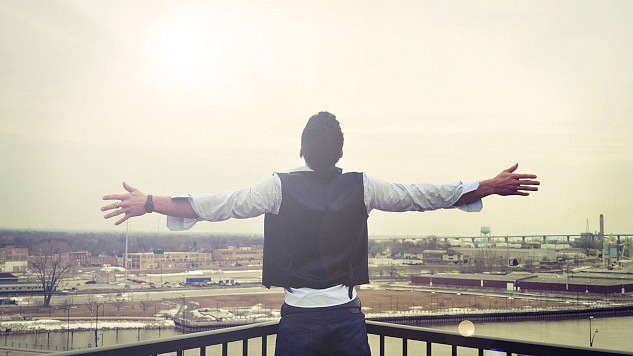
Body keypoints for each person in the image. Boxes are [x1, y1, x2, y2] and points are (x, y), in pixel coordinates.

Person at [101, 111, 539, 355]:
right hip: (348, 319)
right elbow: (422, 195)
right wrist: (488, 186)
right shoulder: (362, 186)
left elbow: (218, 205)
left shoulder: (278, 187)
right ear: (342, 152)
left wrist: (151, 202)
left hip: (300, 322)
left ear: (300, 150)